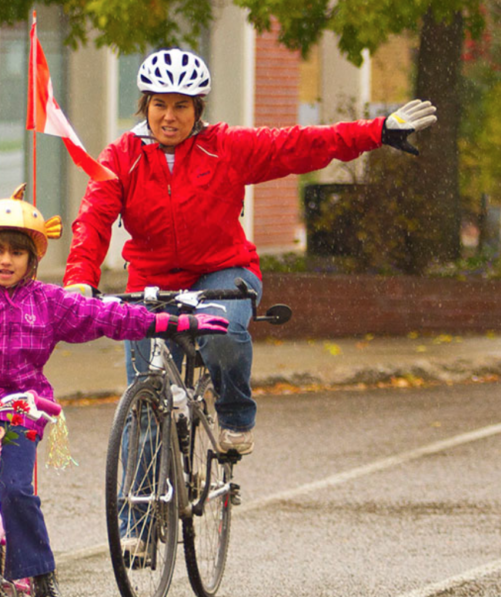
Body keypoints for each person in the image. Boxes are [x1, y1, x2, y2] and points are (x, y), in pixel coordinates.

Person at [63, 48, 437, 455]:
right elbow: (93, 218)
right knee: (146, 412)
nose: (169, 116)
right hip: (152, 281)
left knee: (221, 333)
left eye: (181, 106)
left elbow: (302, 144)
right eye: (160, 105)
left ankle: (235, 415)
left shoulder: (226, 146)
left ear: (198, 109)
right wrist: (80, 278)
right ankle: (137, 517)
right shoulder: (121, 157)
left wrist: (377, 131)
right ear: (145, 106)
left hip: (222, 272)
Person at [0, 185, 229, 597]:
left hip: (23, 403)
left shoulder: (49, 302)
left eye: (17, 252)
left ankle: (39, 573)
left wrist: (174, 324)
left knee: (17, 489)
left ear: (32, 260)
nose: (6, 260)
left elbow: (107, 316)